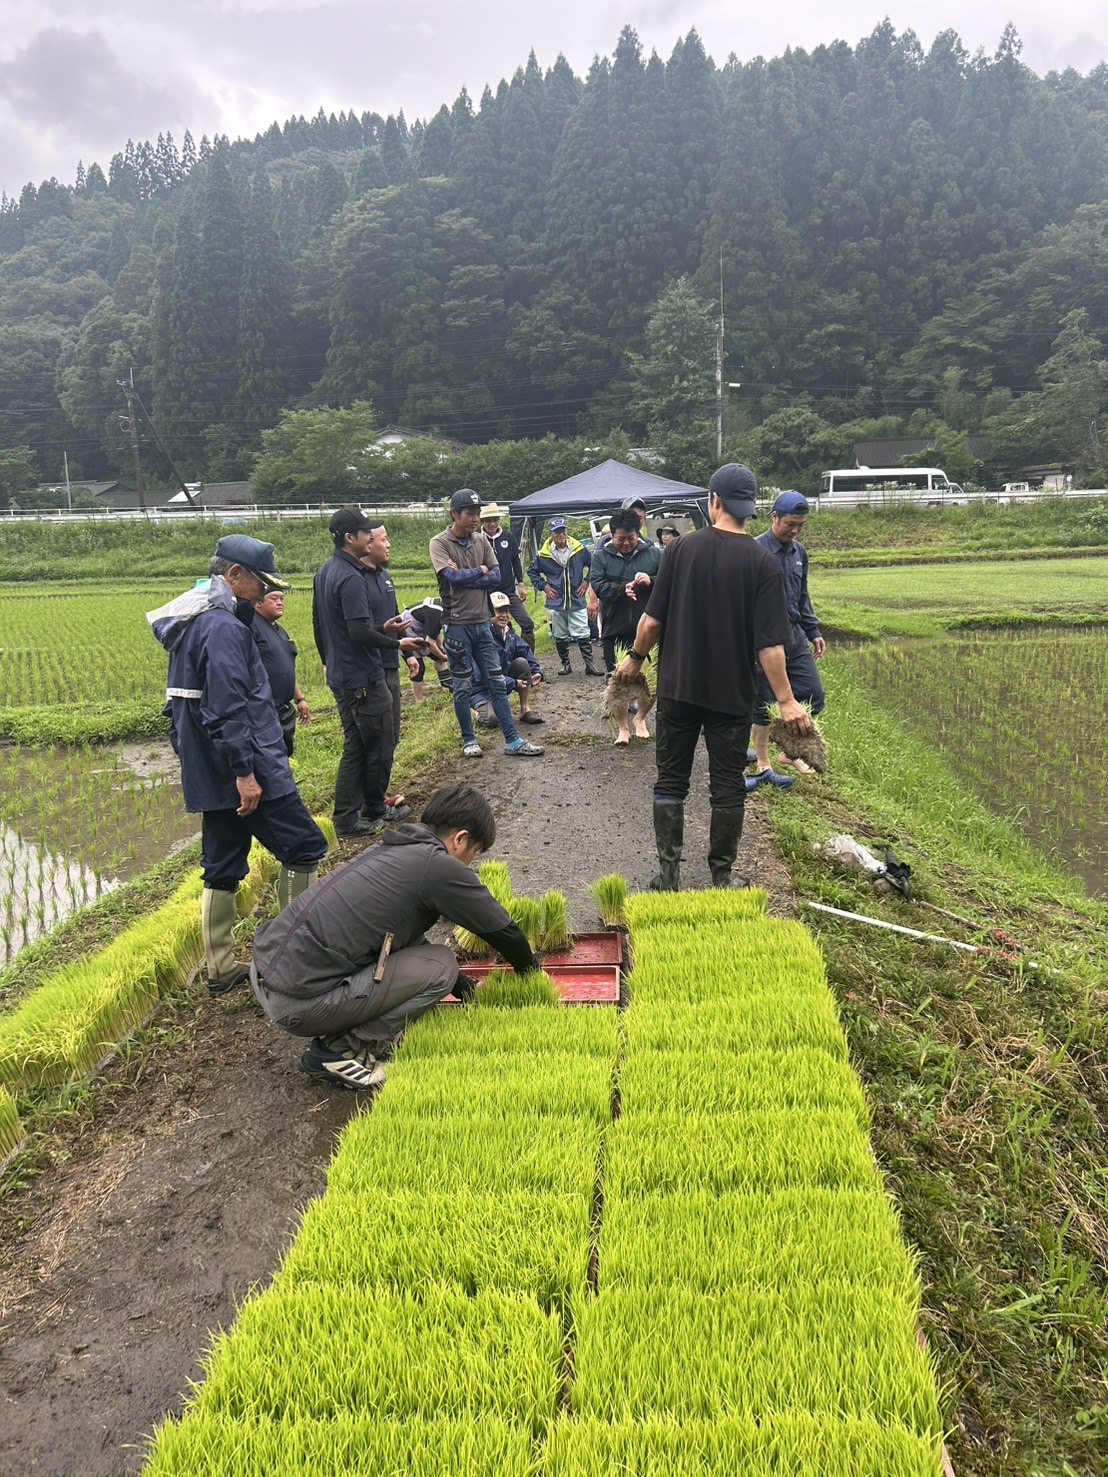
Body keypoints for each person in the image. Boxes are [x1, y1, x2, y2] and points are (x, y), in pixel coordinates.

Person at [250, 783, 539, 1089]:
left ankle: (338, 1034)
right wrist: (531, 973)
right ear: (460, 839)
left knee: (433, 962)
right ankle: (337, 1050)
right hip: (297, 1002)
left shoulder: (392, 848)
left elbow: (400, 937)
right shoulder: (438, 865)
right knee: (442, 966)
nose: (471, 861)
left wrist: (466, 990)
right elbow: (502, 929)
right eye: (475, 853)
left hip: (267, 975)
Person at [615, 464, 812, 891]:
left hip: (679, 689)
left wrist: (634, 659)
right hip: (731, 695)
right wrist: (787, 701)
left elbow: (651, 621)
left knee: (671, 779)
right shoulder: (763, 563)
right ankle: (722, 876)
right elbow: (770, 647)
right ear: (750, 509)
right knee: (727, 785)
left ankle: (668, 876)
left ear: (714, 501)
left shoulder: (681, 551)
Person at [148, 534, 328, 995]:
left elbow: (185, 706)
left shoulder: (192, 619)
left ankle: (220, 966)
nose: (264, 591)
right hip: (248, 765)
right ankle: (296, 959)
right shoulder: (224, 628)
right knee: (304, 847)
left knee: (223, 863)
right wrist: (245, 774)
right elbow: (228, 708)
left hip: (211, 767)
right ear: (234, 575)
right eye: (260, 582)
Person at [313, 506, 422, 838]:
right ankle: (363, 815)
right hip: (362, 677)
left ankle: (349, 817)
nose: (371, 536)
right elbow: (359, 634)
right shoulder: (352, 577)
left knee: (355, 746)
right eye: (366, 533)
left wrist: (384, 629)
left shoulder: (325, 572)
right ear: (351, 539)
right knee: (373, 747)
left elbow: (328, 626)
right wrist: (397, 645)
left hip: (344, 675)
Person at [430, 488, 545, 760]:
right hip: (456, 625)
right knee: (462, 684)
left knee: (495, 679)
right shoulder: (439, 543)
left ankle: (513, 740)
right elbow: (450, 579)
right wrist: (475, 572)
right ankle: (469, 740)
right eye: (470, 513)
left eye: (478, 513)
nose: (476, 518)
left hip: (483, 623)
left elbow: (495, 576)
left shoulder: (481, 540)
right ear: (454, 514)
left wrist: (469, 574)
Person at [749, 490, 827, 788]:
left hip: (794, 638)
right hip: (765, 639)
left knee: (813, 694)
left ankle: (787, 752)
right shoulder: (755, 551)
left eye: (800, 526)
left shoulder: (799, 553)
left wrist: (813, 630)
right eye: (790, 524)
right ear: (775, 517)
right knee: (764, 701)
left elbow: (802, 596)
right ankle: (763, 761)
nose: (795, 530)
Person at [360, 521, 419, 822]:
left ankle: (378, 792)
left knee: (391, 735)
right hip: (370, 670)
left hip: (390, 663)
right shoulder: (357, 581)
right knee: (377, 738)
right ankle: (371, 802)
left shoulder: (385, 578)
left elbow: (398, 622)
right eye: (384, 539)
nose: (389, 544)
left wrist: (407, 653)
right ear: (367, 543)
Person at [588, 507, 661, 743]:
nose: (626, 543)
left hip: (649, 628)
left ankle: (640, 718)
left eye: (631, 538)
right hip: (615, 627)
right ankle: (623, 728)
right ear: (612, 535)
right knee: (618, 679)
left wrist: (651, 581)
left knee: (652, 678)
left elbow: (669, 581)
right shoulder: (601, 556)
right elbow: (597, 584)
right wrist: (622, 588)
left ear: (638, 534)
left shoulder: (654, 554)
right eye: (620, 539)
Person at [529, 516, 603, 676]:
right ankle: (565, 664)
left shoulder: (579, 549)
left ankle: (590, 665)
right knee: (560, 634)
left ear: (567, 531)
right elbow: (532, 571)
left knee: (583, 631)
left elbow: (595, 566)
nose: (560, 534)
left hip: (577, 598)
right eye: (557, 532)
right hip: (556, 601)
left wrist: (586, 581)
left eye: (563, 531)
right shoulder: (544, 554)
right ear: (551, 534)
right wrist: (544, 586)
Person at [252, 587, 311, 756]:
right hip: (266, 710)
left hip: (284, 710)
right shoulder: (252, 627)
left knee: (284, 756)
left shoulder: (280, 630)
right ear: (259, 603)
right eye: (274, 598)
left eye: (282, 599)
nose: (280, 603)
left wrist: (300, 698)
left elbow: (287, 668)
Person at [472, 592, 545, 727]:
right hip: (481, 689)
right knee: (492, 720)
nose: (504, 615)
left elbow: (525, 650)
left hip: (500, 684)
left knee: (522, 663)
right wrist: (513, 682)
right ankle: (475, 711)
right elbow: (483, 674)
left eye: (506, 611)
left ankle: (525, 710)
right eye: (499, 610)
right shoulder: (481, 636)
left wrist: (537, 672)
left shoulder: (508, 632)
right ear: (488, 611)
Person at [480, 501, 535, 649]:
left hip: (508, 590)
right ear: (482, 521)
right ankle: (502, 659)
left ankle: (528, 658)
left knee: (527, 623)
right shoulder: (477, 539)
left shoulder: (508, 537)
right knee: (494, 626)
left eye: (495, 520)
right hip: (487, 593)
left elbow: (515, 561)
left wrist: (521, 583)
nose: (492, 523)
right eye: (488, 520)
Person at [403, 595, 451, 700]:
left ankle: (448, 691)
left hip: (422, 629)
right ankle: (419, 701)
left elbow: (435, 630)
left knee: (438, 657)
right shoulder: (438, 612)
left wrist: (441, 647)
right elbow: (430, 642)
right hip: (407, 628)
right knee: (418, 667)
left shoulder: (446, 608)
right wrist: (443, 656)